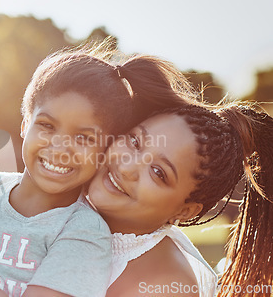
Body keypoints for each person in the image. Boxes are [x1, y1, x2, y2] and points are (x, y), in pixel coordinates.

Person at [0, 42, 195, 297]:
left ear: (104, 150)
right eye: (46, 126)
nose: (60, 147)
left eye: (84, 137)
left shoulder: (86, 231)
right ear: (24, 125)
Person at [87, 102, 273, 297]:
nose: (126, 168)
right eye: (135, 142)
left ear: (184, 212)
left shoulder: (163, 286)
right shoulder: (73, 209)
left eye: (158, 173)